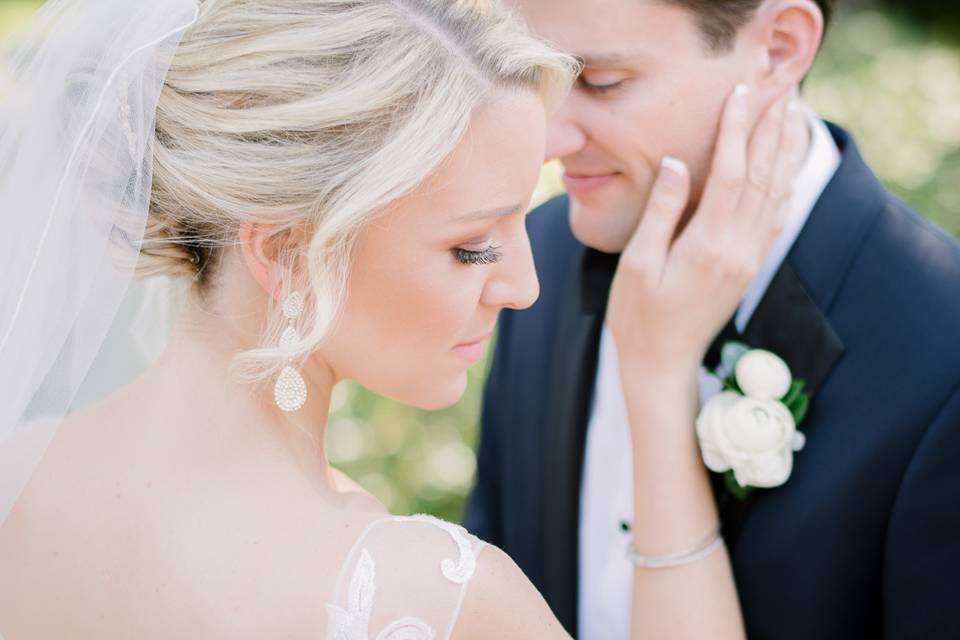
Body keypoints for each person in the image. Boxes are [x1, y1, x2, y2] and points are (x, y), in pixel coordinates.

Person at [0, 0, 803, 638]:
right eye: (471, 247)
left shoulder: (18, 474)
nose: (523, 286)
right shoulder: (426, 600)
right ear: (283, 253)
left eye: (524, 220)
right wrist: (658, 380)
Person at [464, 0, 960, 638]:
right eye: (535, 75)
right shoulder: (541, 258)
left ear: (779, 47)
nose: (549, 140)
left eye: (602, 83)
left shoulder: (942, 352)